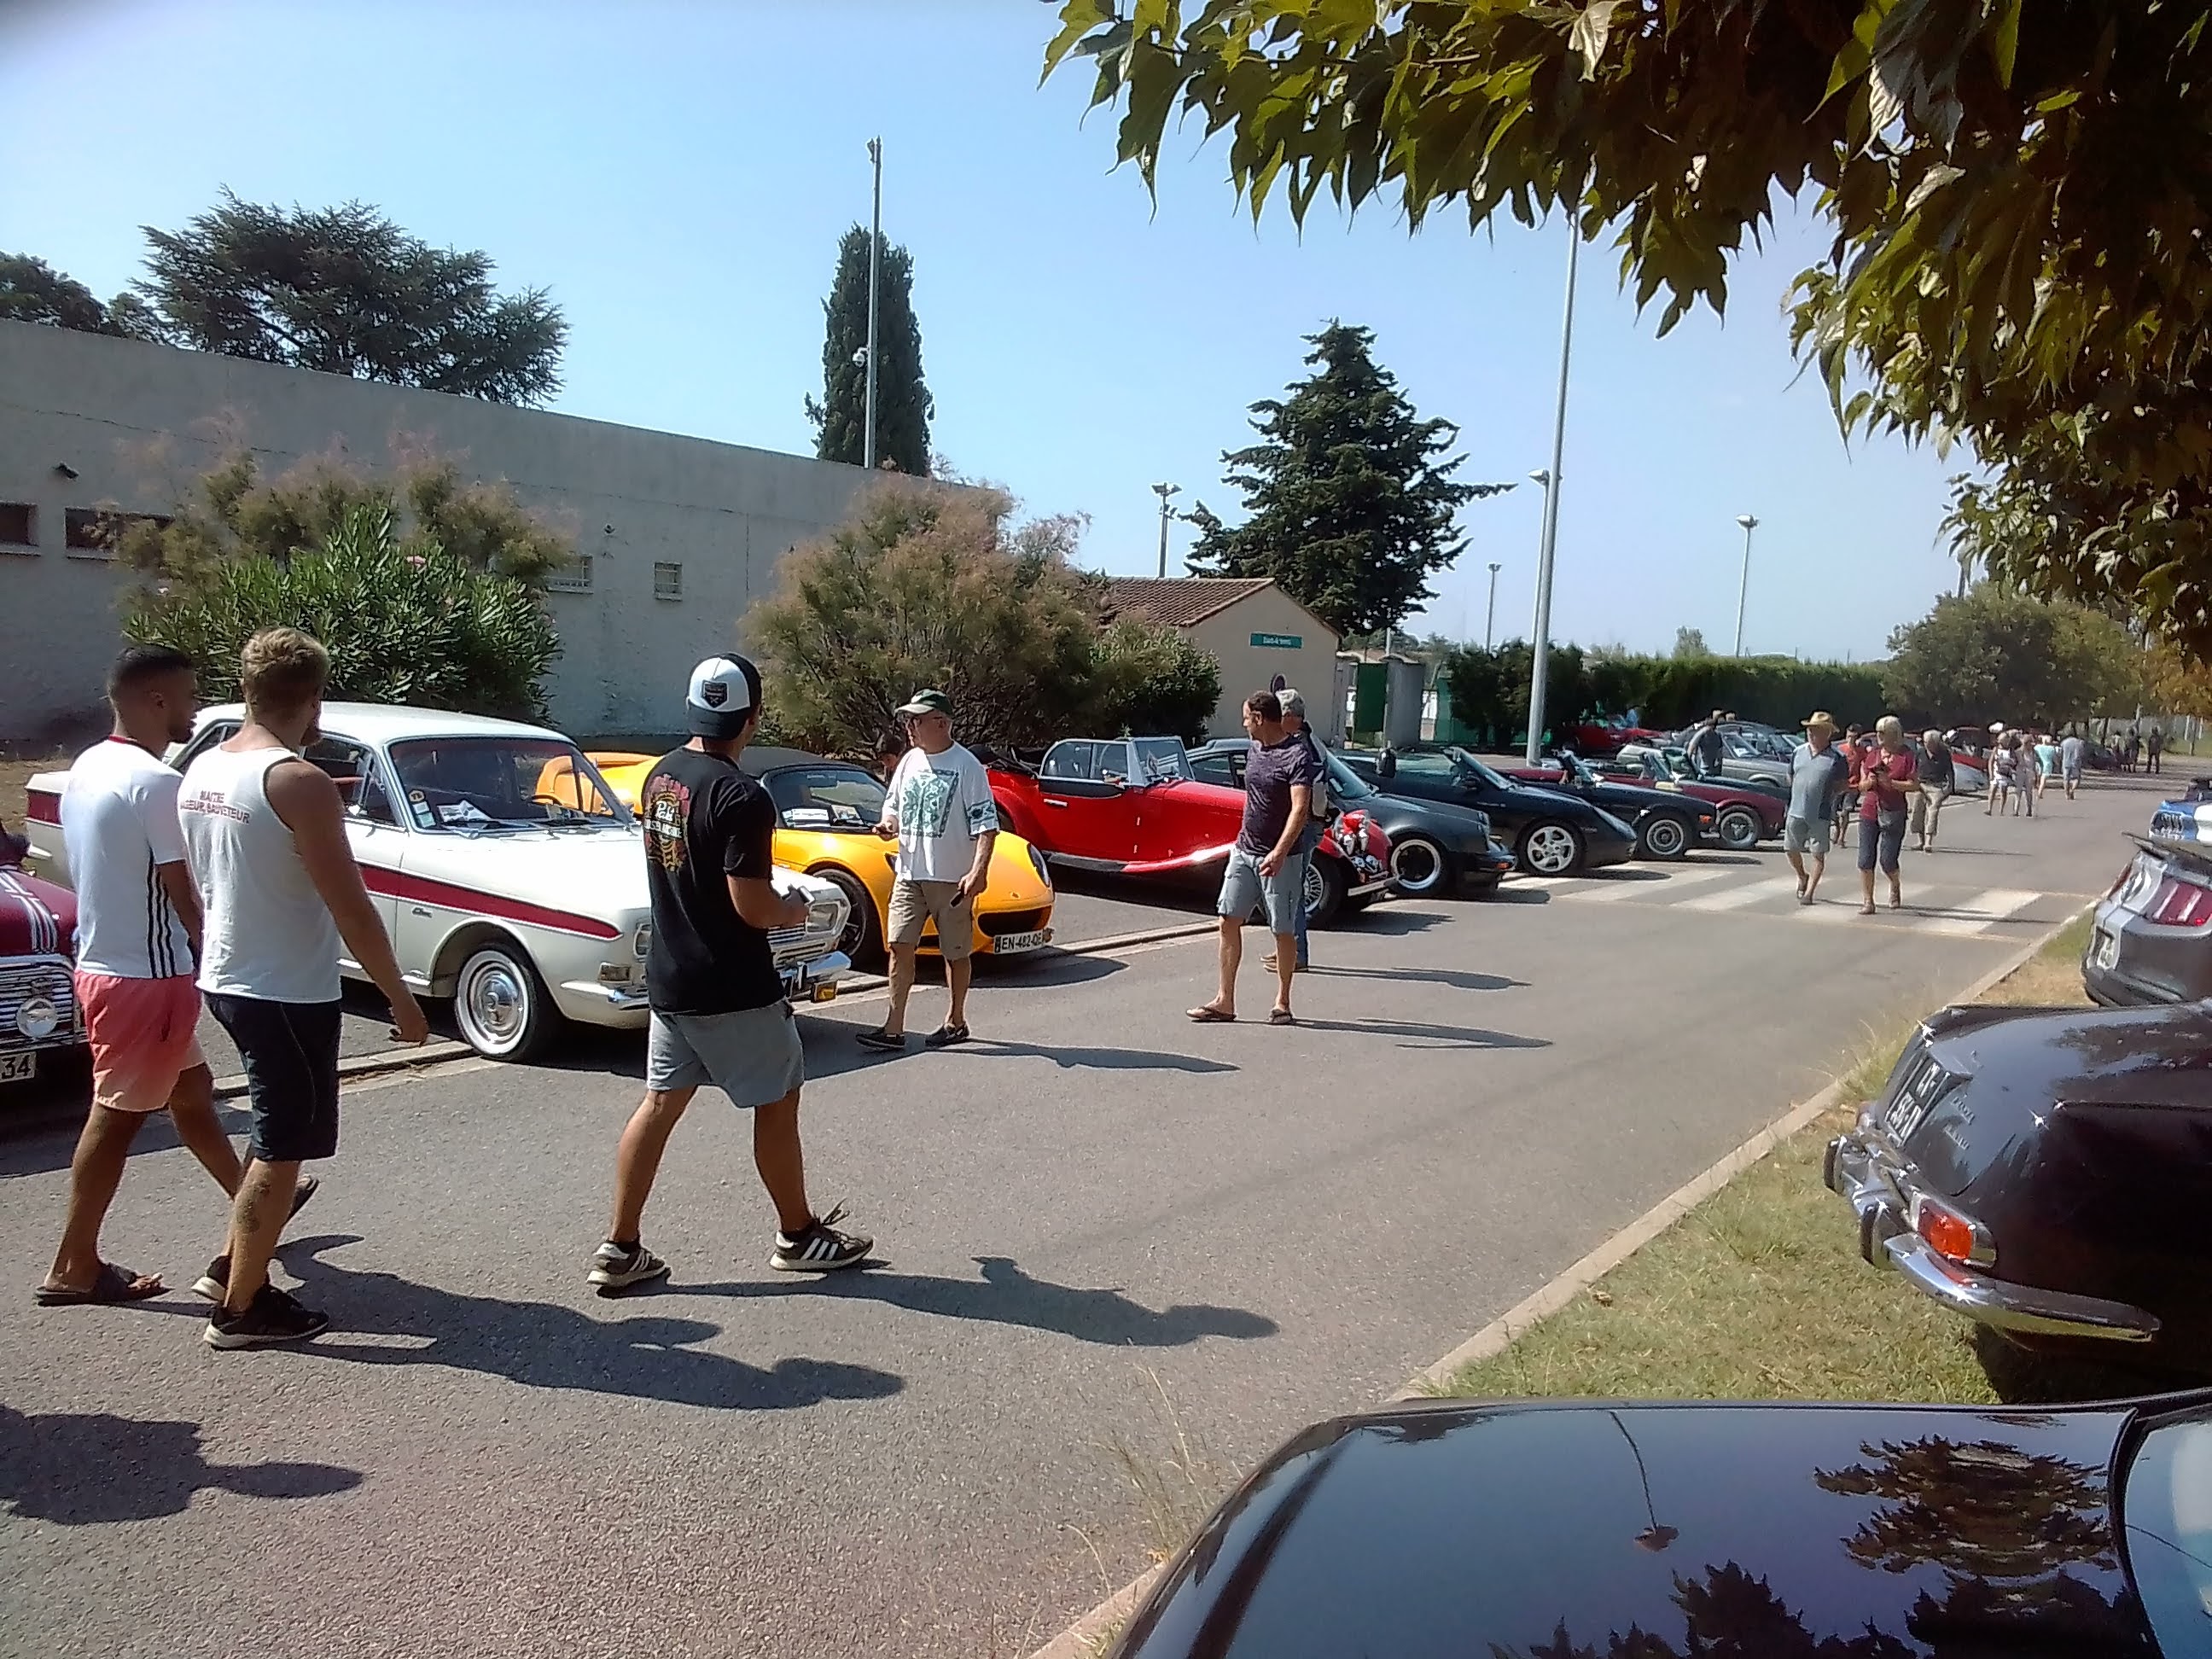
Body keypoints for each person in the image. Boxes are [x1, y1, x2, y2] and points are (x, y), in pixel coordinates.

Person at [36, 647, 315, 1306]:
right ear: (156, 700)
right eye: (188, 697)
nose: (195, 709)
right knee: (116, 1117)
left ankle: (259, 1204)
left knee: (191, 1094)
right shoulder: (157, 783)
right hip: (149, 978)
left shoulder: (92, 764)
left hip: (107, 963)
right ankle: (73, 1264)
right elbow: (186, 893)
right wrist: (226, 959)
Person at [178, 628, 428, 1348]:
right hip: (282, 987)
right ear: (313, 698)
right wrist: (402, 1000)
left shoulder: (205, 768)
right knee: (281, 1142)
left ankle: (234, 1265)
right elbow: (351, 906)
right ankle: (240, 1312)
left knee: (278, 1137)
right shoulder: (297, 782)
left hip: (230, 973)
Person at [591, 655, 870, 1295]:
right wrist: (795, 905)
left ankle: (621, 1245)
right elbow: (752, 907)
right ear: (754, 716)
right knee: (777, 1101)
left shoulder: (662, 776)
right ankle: (798, 1235)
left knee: (659, 1105)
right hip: (732, 984)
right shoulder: (742, 795)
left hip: (671, 978)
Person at [860, 688, 998, 1051]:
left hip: (951, 879)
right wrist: (889, 824)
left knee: (955, 952)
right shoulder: (908, 762)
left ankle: (955, 1021)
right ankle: (893, 1028)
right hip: (909, 873)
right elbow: (893, 806)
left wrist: (978, 871)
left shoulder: (967, 766)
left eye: (916, 720)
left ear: (941, 723)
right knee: (900, 945)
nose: (909, 727)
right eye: (908, 720)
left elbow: (987, 824)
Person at [1188, 691, 1315, 1027]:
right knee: (1227, 919)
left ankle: (1283, 1002)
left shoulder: (1297, 754)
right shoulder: (1254, 748)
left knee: (1282, 930)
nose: (1243, 724)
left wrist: (1280, 851)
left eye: (1246, 718)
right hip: (1244, 851)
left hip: (1282, 858)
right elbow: (1254, 799)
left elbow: (1300, 809)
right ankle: (1224, 1001)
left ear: (1259, 718)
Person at [1263, 686, 1328, 976]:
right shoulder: (1311, 740)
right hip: (1312, 823)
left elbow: (1301, 794)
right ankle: (1289, 948)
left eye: (1279, 715)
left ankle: (1296, 954)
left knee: (1291, 894)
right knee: (1290, 891)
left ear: (1291, 717)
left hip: (1306, 825)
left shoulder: (1301, 747)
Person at [1853, 716, 1919, 915]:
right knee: (1865, 859)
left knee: (1887, 860)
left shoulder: (1906, 756)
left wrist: (1892, 784)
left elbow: (1915, 785)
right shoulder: (1872, 755)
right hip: (1870, 810)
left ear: (1893, 734)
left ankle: (1895, 884)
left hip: (1894, 811)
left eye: (1883, 733)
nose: (1879, 737)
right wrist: (1869, 782)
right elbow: (1861, 784)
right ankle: (1868, 901)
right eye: (1878, 733)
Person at [1783, 711, 1850, 906]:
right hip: (1795, 810)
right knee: (1790, 849)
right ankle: (1802, 876)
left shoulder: (1836, 758)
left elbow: (1843, 784)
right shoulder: (1798, 751)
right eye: (1810, 730)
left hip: (1820, 814)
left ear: (1827, 733)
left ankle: (1809, 893)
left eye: (1816, 730)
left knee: (1818, 854)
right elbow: (1790, 775)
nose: (1811, 734)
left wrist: (1829, 794)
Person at [1911, 728, 1953, 852]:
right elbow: (1914, 768)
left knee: (1933, 812)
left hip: (1937, 786)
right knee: (1917, 812)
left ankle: (1928, 842)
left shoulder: (1944, 753)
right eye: (1925, 743)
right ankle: (1920, 841)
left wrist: (1950, 787)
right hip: (1921, 784)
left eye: (1929, 743)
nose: (1927, 745)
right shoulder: (1920, 753)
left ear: (1936, 743)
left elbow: (1950, 771)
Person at [1686, 713, 1726, 778]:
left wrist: (1719, 762)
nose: (1709, 729)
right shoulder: (1702, 735)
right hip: (1703, 766)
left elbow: (1720, 750)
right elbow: (1692, 746)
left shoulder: (1717, 736)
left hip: (1713, 766)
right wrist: (1689, 761)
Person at [2059, 727, 2086, 800]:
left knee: (2066, 778)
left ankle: (2066, 794)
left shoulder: (2064, 742)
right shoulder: (2079, 742)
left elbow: (2060, 753)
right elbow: (2082, 754)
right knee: (2076, 778)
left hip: (2066, 762)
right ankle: (2072, 789)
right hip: (2076, 763)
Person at [2034, 731, 2060, 801]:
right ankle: (2040, 792)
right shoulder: (2051, 749)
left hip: (2038, 764)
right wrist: (2057, 764)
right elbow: (2054, 758)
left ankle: (2038, 789)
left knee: (2039, 777)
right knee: (2043, 779)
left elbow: (2034, 755)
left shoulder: (2037, 747)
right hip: (2048, 764)